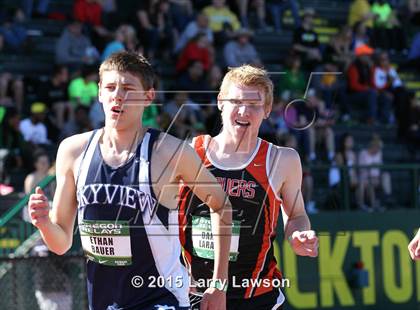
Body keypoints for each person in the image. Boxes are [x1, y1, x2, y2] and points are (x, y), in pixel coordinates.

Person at [28, 51, 232, 310]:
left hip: (161, 300)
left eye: (127, 88)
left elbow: (222, 205)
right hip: (104, 300)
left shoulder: (169, 151)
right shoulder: (73, 150)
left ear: (149, 97)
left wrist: (219, 283)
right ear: (100, 92)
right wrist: (44, 223)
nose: (118, 96)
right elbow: (61, 244)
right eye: (111, 87)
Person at [179, 65, 318, 309]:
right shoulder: (189, 153)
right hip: (196, 295)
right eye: (236, 101)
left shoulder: (282, 160)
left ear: (266, 110)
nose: (244, 111)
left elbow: (296, 215)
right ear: (220, 101)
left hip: (258, 298)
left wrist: (297, 234)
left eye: (254, 105)